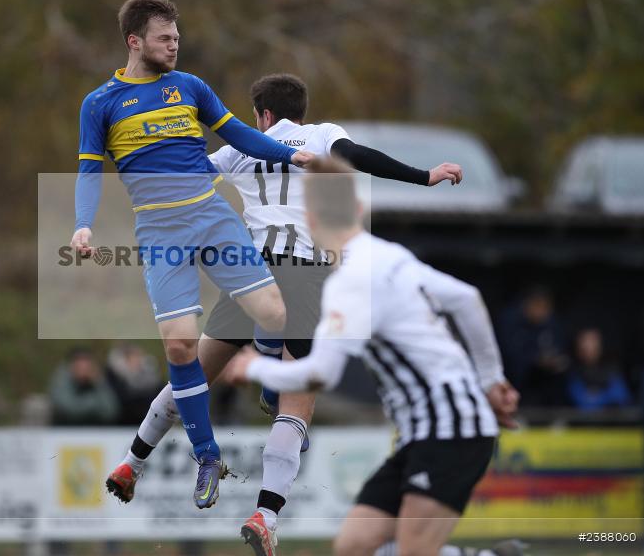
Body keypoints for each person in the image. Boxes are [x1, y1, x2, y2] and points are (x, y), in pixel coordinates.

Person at [104, 72, 463, 555]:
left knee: (191, 377)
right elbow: (360, 159)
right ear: (300, 110)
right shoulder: (321, 135)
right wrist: (425, 175)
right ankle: (266, 513)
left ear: (263, 115)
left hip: (248, 275)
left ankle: (132, 462)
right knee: (298, 405)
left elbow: (184, 182)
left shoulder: (241, 147)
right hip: (306, 276)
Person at [71, 0, 319, 508]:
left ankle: (271, 387)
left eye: (177, 37)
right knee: (181, 346)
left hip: (211, 217)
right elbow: (90, 170)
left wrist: (292, 154)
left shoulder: (190, 88)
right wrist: (82, 227)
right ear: (134, 41)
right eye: (165, 38)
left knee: (274, 312)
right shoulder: (101, 103)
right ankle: (207, 456)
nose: (174, 45)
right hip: (160, 234)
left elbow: (242, 135)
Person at [223, 158, 521, 556]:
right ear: (359, 209)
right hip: (424, 432)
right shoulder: (388, 253)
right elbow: (467, 299)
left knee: (414, 552)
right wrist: (491, 379)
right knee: (353, 547)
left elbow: (321, 375)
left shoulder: (347, 283)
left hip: (452, 429)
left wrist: (254, 367)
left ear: (309, 221)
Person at [50, 346, 121, 426]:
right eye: (79, 365)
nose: (83, 369)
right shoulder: (61, 379)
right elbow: (69, 410)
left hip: (96, 432)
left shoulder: (98, 380)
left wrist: (98, 383)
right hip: (64, 432)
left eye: (86, 365)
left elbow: (111, 411)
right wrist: (94, 403)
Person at [566, 327, 631, 411]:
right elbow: (581, 402)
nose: (588, 347)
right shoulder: (572, 372)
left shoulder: (611, 369)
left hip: (610, 421)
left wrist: (597, 396)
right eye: (584, 343)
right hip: (581, 422)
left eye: (592, 342)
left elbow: (621, 398)